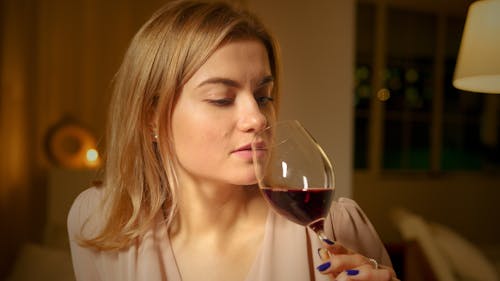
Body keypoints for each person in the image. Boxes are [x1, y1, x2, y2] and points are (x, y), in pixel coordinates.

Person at [67, 1, 399, 280]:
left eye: (263, 96)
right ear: (150, 115)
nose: (257, 118)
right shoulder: (98, 221)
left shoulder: (334, 227)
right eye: (222, 98)